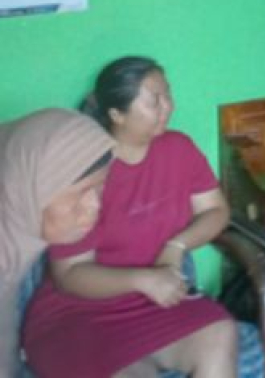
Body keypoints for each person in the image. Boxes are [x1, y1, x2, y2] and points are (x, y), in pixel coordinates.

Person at [21, 58, 238, 378]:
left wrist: (177, 245)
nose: (168, 106)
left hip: (156, 299)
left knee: (219, 333)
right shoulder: (82, 169)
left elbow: (216, 210)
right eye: (154, 101)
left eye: (168, 94)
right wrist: (144, 280)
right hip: (78, 313)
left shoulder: (179, 148)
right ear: (116, 115)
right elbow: (70, 274)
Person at [0, 108, 114, 377]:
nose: (95, 206)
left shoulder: (15, 231)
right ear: (31, 187)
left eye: (100, 188)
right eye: (81, 193)